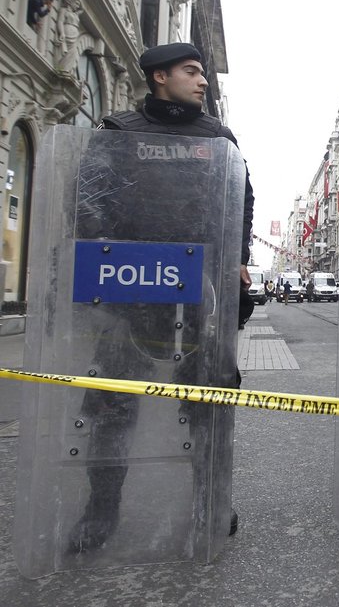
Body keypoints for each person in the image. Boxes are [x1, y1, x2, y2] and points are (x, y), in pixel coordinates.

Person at [67, 43, 255, 552]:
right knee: (111, 408)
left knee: (207, 406)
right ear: (158, 77)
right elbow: (88, 201)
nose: (202, 82)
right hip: (132, 294)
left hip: (198, 296)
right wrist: (110, 265)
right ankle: (99, 512)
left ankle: (210, 503)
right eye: (191, 72)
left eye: (202, 73)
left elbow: (242, 197)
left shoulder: (217, 137)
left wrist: (235, 258)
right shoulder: (119, 132)